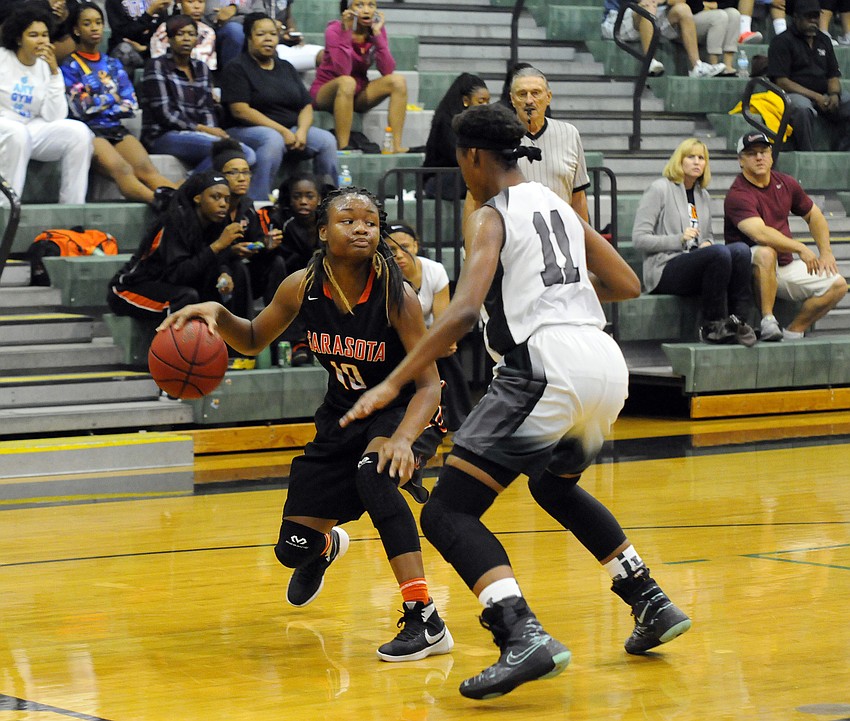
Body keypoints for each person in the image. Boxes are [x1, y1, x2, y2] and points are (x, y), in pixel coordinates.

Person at [340, 103, 691, 699]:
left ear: (474, 157)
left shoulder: (490, 214)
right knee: (554, 487)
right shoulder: (558, 204)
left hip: (544, 365)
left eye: (460, 161)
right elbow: (627, 284)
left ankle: (519, 633)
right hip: (605, 365)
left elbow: (462, 312)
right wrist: (563, 293)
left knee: (447, 513)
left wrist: (393, 381)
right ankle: (648, 598)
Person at [157, 186, 454, 663]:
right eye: (348, 220)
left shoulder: (396, 295)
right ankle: (324, 547)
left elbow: (429, 384)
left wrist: (403, 440)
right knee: (292, 551)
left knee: (373, 473)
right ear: (322, 232)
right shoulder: (301, 285)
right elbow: (251, 338)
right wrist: (217, 312)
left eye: (370, 222)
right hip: (344, 415)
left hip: (406, 411)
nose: (361, 228)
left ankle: (425, 617)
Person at [724, 131, 847, 340]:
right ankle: (768, 320)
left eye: (763, 152)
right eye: (751, 153)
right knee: (766, 252)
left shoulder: (785, 182)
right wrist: (800, 247)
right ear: (741, 161)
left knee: (838, 285)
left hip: (783, 265)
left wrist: (826, 252)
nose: (759, 157)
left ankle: (794, 331)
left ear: (771, 156)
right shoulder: (738, 194)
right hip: (747, 269)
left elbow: (814, 215)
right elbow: (760, 233)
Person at [633, 138, 757, 345]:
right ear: (679, 160)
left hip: (694, 262)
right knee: (719, 253)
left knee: (741, 251)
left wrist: (706, 243)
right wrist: (678, 240)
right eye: (691, 157)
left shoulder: (703, 195)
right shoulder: (659, 189)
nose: (697, 162)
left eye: (701, 158)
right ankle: (712, 326)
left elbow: (706, 236)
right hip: (664, 267)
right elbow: (639, 239)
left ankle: (738, 321)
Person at [61, 2, 179, 207]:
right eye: (87, 23)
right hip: (89, 131)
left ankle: (185, 203)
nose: (95, 28)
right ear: (76, 30)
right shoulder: (69, 66)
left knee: (148, 171)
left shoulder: (112, 64)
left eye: (98, 22)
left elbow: (130, 104)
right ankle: (163, 205)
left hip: (114, 127)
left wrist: (101, 101)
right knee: (123, 169)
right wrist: (112, 98)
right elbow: (82, 108)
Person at [107, 170, 252, 324]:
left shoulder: (216, 222)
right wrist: (217, 246)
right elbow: (177, 275)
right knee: (186, 298)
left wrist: (224, 273)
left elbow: (219, 260)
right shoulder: (174, 223)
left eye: (227, 199)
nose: (223, 204)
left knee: (237, 270)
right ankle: (174, 340)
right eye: (216, 197)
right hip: (131, 289)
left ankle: (242, 336)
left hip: (175, 287)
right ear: (197, 198)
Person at [219, 12, 338, 201]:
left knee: (326, 140)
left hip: (289, 130)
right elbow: (240, 110)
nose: (268, 39)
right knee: (272, 139)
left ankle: (330, 200)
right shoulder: (237, 67)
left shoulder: (285, 67)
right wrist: (282, 131)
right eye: (261, 34)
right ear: (249, 37)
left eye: (273, 34)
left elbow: (306, 105)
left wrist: (302, 131)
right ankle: (258, 202)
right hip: (244, 130)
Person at [0, 4, 93, 205]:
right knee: (17, 134)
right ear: (18, 39)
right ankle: (6, 208)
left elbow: (55, 116)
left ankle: (72, 208)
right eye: (33, 35)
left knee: (79, 133)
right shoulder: (3, 59)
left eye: (44, 35)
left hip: (29, 127)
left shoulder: (45, 65)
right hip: (5, 126)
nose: (41, 40)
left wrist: (54, 72)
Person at [141, 14, 256, 174]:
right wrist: (204, 130)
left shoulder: (202, 68)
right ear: (170, 39)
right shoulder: (157, 66)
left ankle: (190, 181)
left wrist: (211, 131)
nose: (186, 39)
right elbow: (165, 114)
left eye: (191, 34)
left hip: (197, 134)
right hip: (163, 135)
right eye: (180, 34)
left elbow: (207, 109)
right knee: (238, 153)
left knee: (244, 154)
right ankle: (192, 186)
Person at [387, 220, 472, 431]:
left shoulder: (434, 270)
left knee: (447, 350)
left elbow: (442, 319)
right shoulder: (384, 276)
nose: (399, 255)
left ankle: (457, 420)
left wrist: (443, 341)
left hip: (427, 336)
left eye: (405, 247)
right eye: (391, 250)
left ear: (416, 246)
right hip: (395, 338)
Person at [311, 0, 407, 153]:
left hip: (357, 92)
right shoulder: (334, 30)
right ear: (348, 9)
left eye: (371, 5)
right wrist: (346, 32)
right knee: (347, 82)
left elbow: (387, 70)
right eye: (359, 5)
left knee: (398, 81)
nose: (366, 10)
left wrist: (377, 35)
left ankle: (396, 146)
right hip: (328, 90)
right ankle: (343, 146)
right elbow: (343, 70)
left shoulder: (375, 30)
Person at [211, 138, 287, 315]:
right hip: (213, 275)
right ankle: (243, 328)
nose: (242, 178)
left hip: (241, 276)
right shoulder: (211, 208)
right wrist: (231, 252)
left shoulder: (246, 206)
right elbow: (202, 252)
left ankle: (281, 326)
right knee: (238, 267)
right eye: (233, 173)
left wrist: (266, 244)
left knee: (276, 262)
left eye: (246, 172)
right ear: (219, 176)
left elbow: (256, 240)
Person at [509, 66, 590, 221]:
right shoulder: (498, 136)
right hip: (514, 232)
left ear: (548, 97)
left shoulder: (569, 133)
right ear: (512, 99)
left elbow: (578, 197)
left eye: (535, 93)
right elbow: (477, 196)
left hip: (561, 232)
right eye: (522, 94)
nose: (529, 100)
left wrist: (583, 236)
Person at [767, 0, 850, 151]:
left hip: (823, 93)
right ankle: (808, 154)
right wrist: (816, 97)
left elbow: (833, 75)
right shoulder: (782, 41)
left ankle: (843, 151)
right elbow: (782, 82)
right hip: (793, 93)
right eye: (808, 17)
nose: (813, 21)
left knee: (847, 101)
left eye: (816, 16)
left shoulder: (824, 40)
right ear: (796, 17)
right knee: (803, 109)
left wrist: (834, 94)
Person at [264, 172, 327, 365]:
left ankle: (314, 343)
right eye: (297, 196)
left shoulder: (327, 221)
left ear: (319, 199)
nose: (303, 201)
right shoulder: (280, 220)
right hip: (287, 276)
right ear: (290, 199)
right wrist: (267, 246)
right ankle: (295, 342)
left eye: (309, 196)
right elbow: (274, 259)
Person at [422, 72, 490, 200]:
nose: (486, 106)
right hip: (441, 179)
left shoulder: (482, 122)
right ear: (465, 101)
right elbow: (459, 158)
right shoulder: (446, 121)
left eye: (488, 101)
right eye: (481, 101)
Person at [205, 0, 324, 71]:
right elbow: (214, 16)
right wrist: (246, 16)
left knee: (323, 54)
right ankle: (231, 75)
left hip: (267, 38)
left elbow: (260, 14)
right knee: (236, 30)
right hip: (222, 36)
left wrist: (235, 9)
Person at [655, 0, 730, 77]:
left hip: (670, 16)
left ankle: (701, 66)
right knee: (683, 9)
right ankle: (696, 65)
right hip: (656, 17)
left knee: (723, 15)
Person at [600, 0, 667, 76]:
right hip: (618, 16)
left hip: (655, 9)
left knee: (678, 10)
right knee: (647, 8)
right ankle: (651, 61)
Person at [105, 0, 171, 75]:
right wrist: (149, 13)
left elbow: (165, 31)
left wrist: (145, 48)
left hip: (152, 50)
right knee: (124, 50)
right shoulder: (114, 2)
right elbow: (122, 34)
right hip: (128, 51)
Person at [149, 0, 218, 70]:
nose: (197, 6)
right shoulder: (165, 29)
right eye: (190, 1)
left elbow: (209, 66)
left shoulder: (207, 32)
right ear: (180, 2)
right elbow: (158, 62)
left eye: (200, 2)